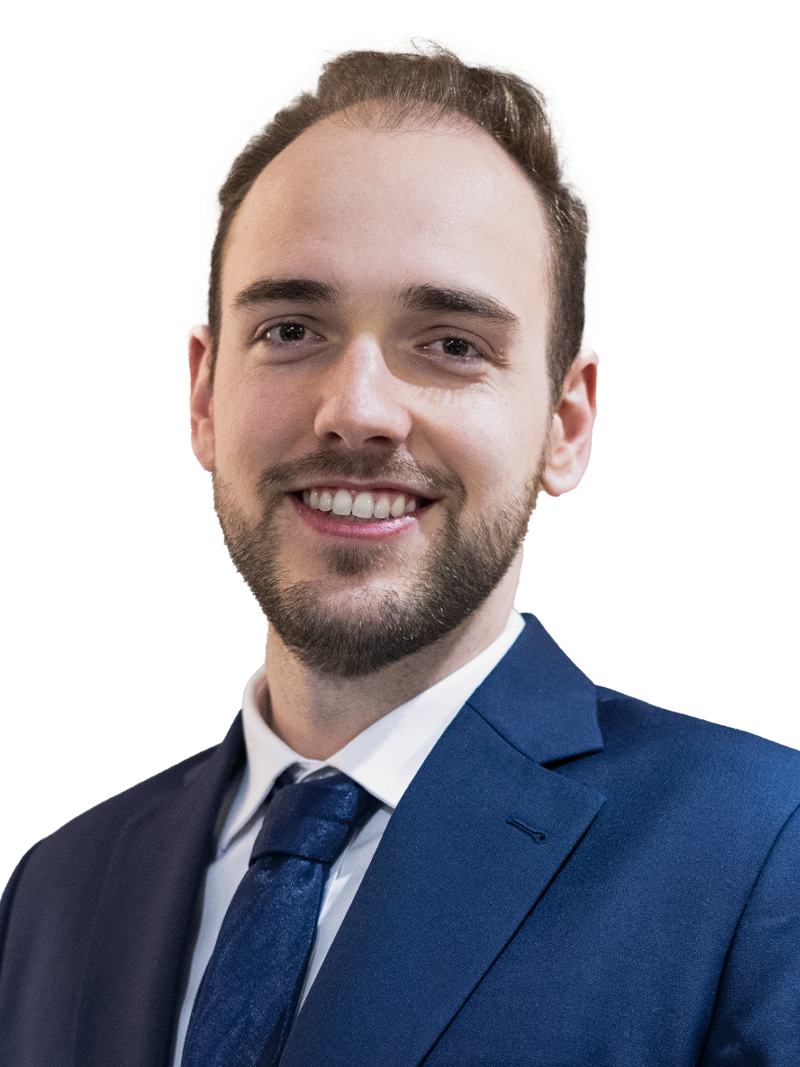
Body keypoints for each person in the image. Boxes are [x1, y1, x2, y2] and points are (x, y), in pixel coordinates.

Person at [1, 32, 798, 1067]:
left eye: (451, 344)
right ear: (202, 395)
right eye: (291, 329)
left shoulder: (758, 854)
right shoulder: (57, 887)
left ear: (564, 424)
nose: (358, 410)